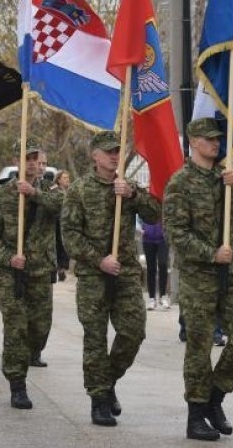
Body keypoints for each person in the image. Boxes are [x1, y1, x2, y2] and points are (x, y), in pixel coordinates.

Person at [163, 118, 233, 441]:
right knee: (199, 346)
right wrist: (210, 253)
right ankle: (196, 415)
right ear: (193, 142)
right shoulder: (180, 182)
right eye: (208, 139)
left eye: (217, 139)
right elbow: (175, 233)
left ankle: (215, 396)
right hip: (199, 277)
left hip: (231, 274)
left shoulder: (228, 177)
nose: (215, 143)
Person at [61, 131, 161, 427]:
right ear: (95, 156)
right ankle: (98, 399)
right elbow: (70, 237)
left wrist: (132, 194)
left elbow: (155, 214)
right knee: (95, 339)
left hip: (126, 273)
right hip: (94, 275)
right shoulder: (79, 190)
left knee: (133, 333)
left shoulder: (127, 187)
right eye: (108, 152)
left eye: (118, 151)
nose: (115, 156)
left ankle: (107, 381)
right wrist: (99, 259)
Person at [0, 142, 63, 409]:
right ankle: (17, 385)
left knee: (39, 330)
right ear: (17, 160)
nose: (34, 164)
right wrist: (7, 257)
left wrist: (34, 193)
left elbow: (63, 205)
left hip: (41, 272)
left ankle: (29, 356)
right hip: (12, 274)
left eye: (38, 159)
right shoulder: (3, 195)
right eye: (28, 158)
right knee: (16, 330)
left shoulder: (51, 189)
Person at [142, 222, 170, 311]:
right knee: (151, 268)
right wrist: (141, 229)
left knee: (163, 264)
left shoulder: (165, 207)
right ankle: (151, 299)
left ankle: (163, 296)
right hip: (148, 239)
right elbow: (137, 216)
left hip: (163, 239)